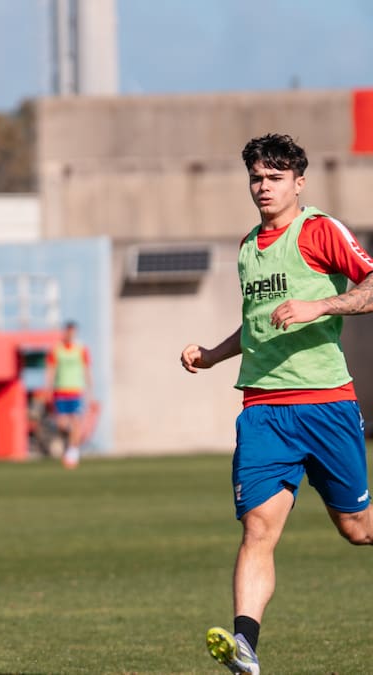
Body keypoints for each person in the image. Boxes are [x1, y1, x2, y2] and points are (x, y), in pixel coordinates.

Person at [180, 133, 373, 674]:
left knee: (358, 529)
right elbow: (257, 325)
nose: (263, 188)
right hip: (263, 409)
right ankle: (246, 646)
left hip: (326, 404)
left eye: (274, 178)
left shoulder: (319, 231)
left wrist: (320, 305)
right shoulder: (247, 247)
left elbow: (370, 284)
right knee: (258, 529)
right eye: (256, 179)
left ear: (298, 182)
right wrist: (215, 354)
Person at [44, 319, 93, 469]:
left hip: (76, 391)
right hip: (60, 391)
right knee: (62, 424)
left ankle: (72, 453)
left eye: (73, 331)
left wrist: (90, 392)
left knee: (76, 422)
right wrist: (48, 389)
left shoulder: (81, 349)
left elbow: (86, 371)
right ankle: (71, 444)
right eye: (68, 331)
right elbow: (51, 370)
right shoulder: (56, 349)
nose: (70, 334)